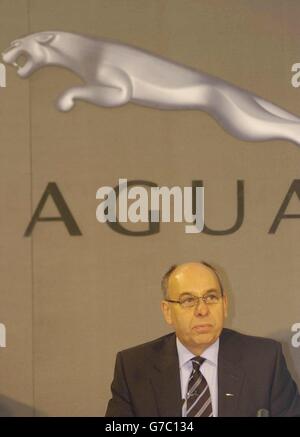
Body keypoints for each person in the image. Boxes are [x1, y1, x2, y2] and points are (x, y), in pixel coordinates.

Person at [105, 261, 300, 417]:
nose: (202, 310)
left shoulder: (264, 360)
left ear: (224, 305)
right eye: (188, 300)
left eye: (211, 297)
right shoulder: (133, 367)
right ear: (167, 311)